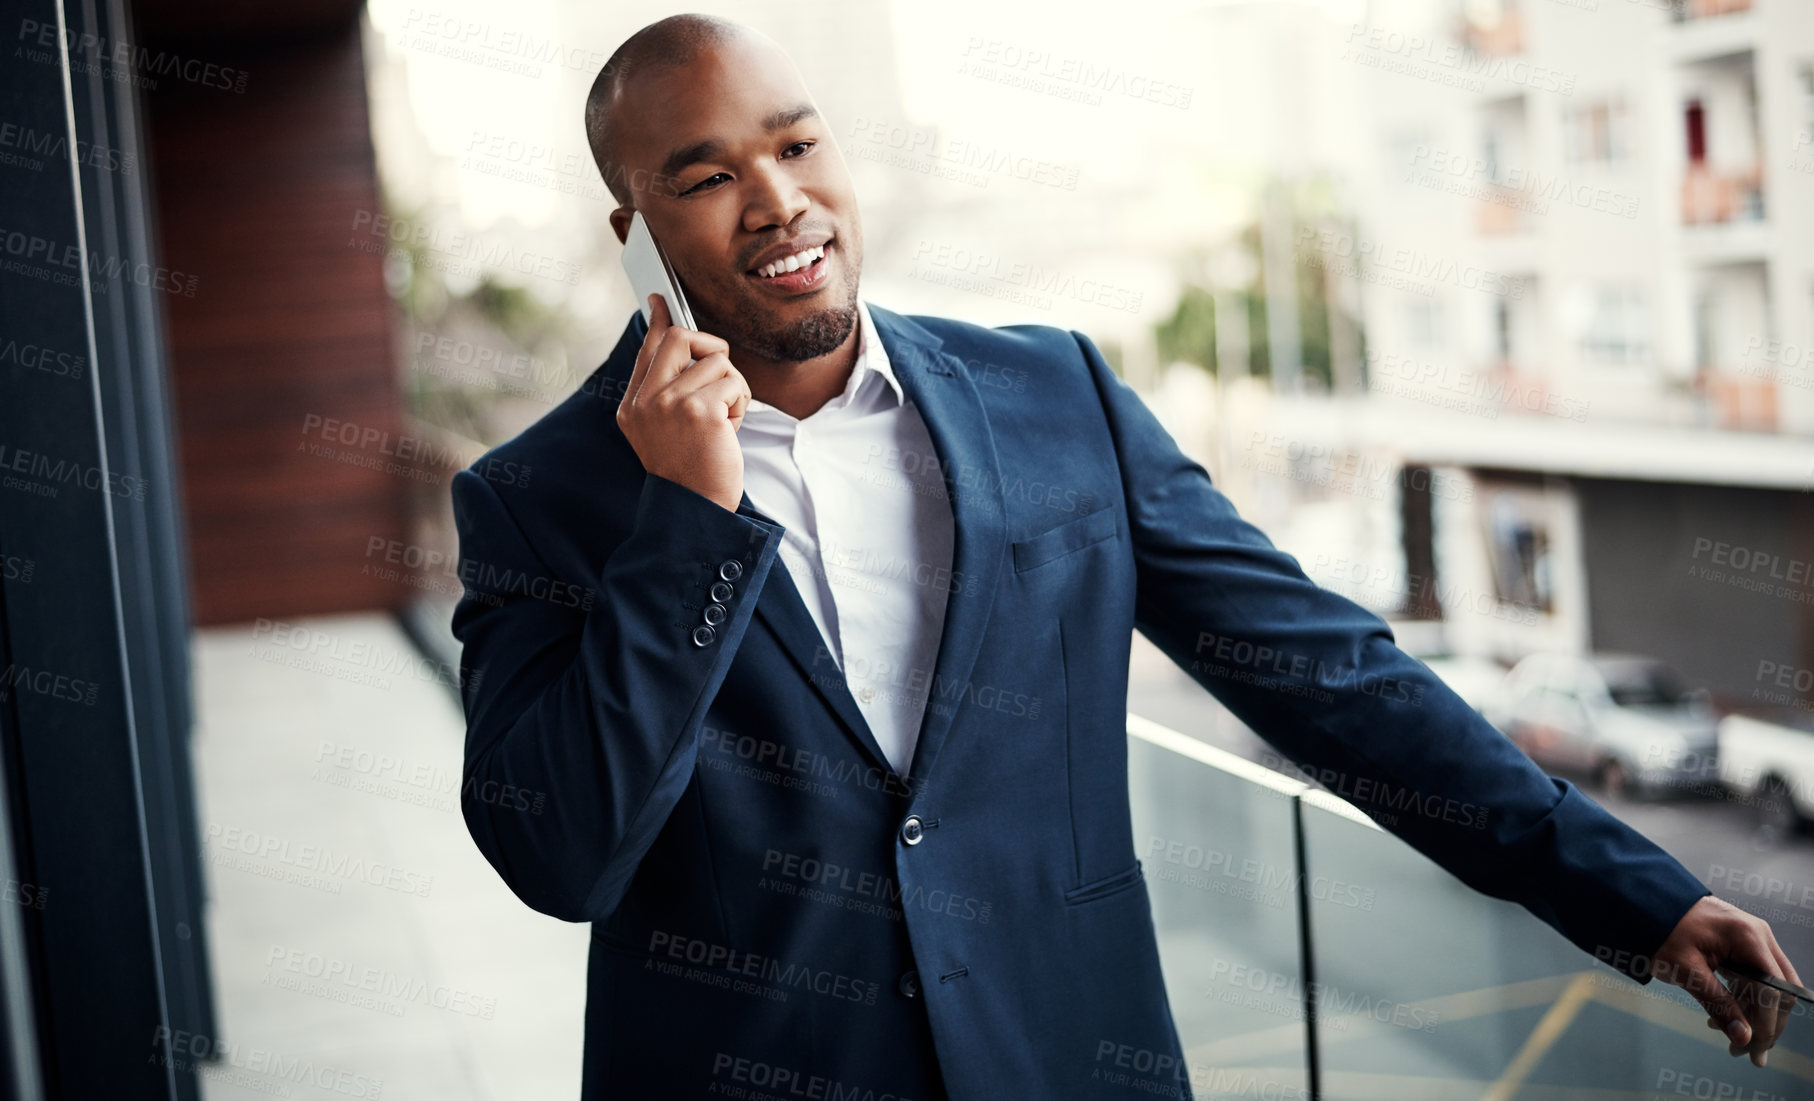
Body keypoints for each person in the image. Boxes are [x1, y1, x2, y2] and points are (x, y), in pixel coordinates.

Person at [448, 13, 1800, 1099]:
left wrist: (1633, 894)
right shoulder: (540, 497)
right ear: (633, 240)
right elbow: (559, 858)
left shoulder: (1052, 395)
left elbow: (1325, 673)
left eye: (797, 147)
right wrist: (683, 524)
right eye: (704, 178)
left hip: (1072, 1047)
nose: (778, 202)